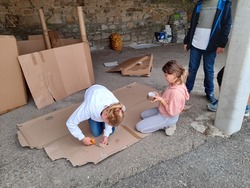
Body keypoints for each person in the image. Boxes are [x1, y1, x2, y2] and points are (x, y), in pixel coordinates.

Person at [183, 0, 232, 105]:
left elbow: (226, 25)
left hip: (211, 44)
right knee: (192, 68)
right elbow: (193, 24)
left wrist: (221, 44)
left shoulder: (224, 4)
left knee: (208, 69)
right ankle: (187, 90)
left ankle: (209, 92)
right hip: (196, 41)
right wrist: (187, 40)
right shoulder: (200, 4)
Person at [136, 60, 190, 136]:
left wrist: (161, 100)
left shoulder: (176, 93)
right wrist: (159, 96)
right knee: (143, 115)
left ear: (174, 75)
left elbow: (172, 113)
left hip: (168, 117)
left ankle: (167, 125)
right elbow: (168, 98)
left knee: (139, 127)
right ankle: (161, 123)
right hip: (161, 110)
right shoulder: (174, 83)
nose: (165, 77)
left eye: (166, 75)